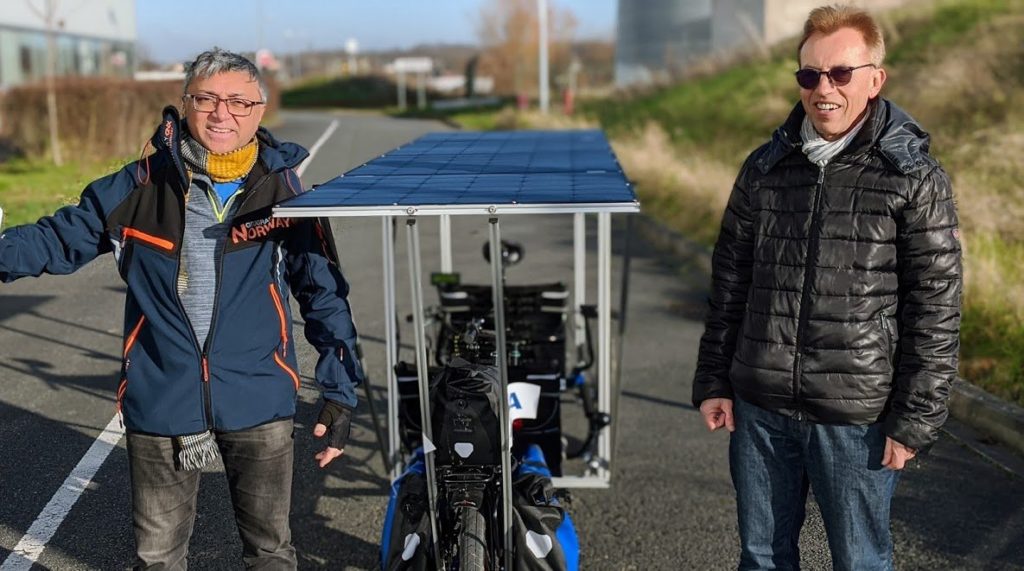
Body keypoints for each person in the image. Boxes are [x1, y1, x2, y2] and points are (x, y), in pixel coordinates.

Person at [0, 48, 363, 569]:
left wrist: (340, 392)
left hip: (259, 396)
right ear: (185, 103)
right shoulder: (137, 186)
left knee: (271, 553)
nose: (222, 114)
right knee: (158, 560)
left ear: (259, 110)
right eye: (207, 99)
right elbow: (55, 240)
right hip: (162, 398)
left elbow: (323, 293)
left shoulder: (285, 192)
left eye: (239, 102)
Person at [691, 5, 961, 570]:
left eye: (840, 73)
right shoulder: (765, 168)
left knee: (859, 561)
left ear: (875, 79)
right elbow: (731, 283)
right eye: (810, 74)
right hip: (761, 408)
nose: (824, 89)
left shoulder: (913, 176)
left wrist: (915, 419)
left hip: (857, 417)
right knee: (762, 558)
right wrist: (714, 379)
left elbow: (935, 307)